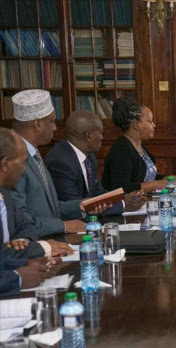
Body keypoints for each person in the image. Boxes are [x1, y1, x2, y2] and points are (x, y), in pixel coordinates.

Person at [9, 90, 106, 238]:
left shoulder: (34, 153)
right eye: (52, 121)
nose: (55, 128)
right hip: (33, 246)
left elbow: (49, 209)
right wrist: (63, 225)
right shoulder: (13, 158)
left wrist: (81, 206)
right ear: (38, 124)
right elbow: (18, 218)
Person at [0, 127, 74, 296]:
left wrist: (22, 245)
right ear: (5, 164)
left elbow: (26, 227)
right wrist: (18, 277)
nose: (25, 169)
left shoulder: (4, 194)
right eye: (23, 161)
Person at [45, 111, 146, 215]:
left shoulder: (89, 156)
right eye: (100, 133)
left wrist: (124, 197)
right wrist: (123, 205)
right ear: (88, 136)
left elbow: (98, 193)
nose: (102, 138)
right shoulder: (60, 162)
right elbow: (76, 208)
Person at [102, 97, 176, 194]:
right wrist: (156, 184)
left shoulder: (138, 146)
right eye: (150, 121)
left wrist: (168, 179)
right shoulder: (122, 150)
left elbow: (144, 178)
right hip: (123, 207)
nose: (154, 125)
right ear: (136, 125)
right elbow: (120, 188)